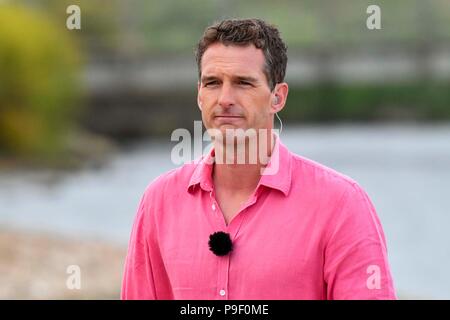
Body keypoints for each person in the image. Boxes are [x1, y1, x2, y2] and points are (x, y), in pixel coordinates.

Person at [121, 18, 396, 300]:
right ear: (200, 95)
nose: (225, 98)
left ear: (277, 97)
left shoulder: (341, 204)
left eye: (243, 83)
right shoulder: (159, 201)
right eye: (213, 83)